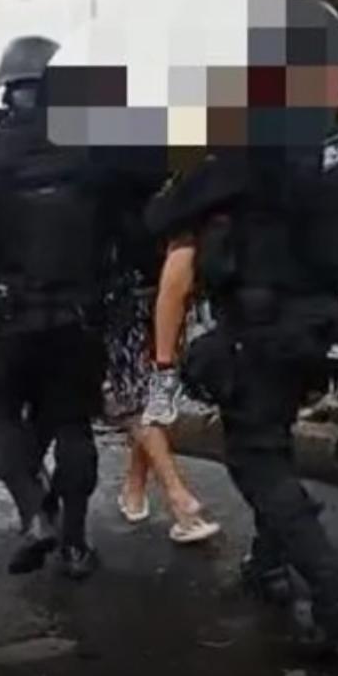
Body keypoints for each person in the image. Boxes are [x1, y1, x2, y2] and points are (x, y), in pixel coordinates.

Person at [146, 0, 338, 653]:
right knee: (272, 439)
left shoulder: (250, 136)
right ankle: (268, 564)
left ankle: (336, 593)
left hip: (260, 327)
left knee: (256, 460)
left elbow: (165, 215)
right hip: (320, 323)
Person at [0, 35, 107, 580]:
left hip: (7, 318)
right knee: (73, 422)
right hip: (77, 316)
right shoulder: (91, 148)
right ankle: (75, 545)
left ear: (8, 92)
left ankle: (34, 514)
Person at [102, 164, 221, 544]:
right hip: (175, 287)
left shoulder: (110, 166)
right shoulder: (180, 166)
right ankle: (135, 486)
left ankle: (179, 498)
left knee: (133, 398)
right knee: (156, 389)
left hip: (126, 293)